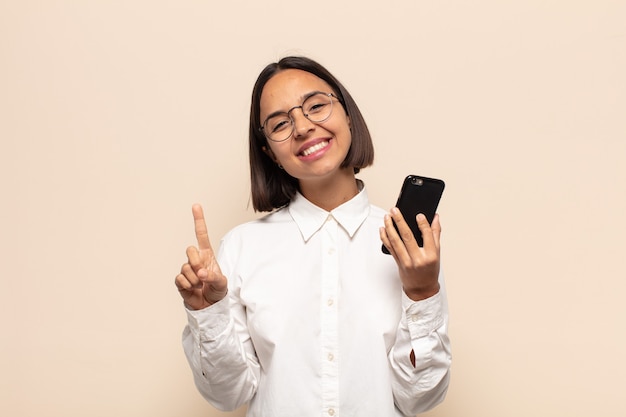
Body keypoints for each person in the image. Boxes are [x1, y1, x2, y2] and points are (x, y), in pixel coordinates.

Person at [175, 56, 451, 417]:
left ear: (347, 114)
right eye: (280, 124)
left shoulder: (407, 244)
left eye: (316, 106)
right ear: (269, 153)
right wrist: (207, 312)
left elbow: (419, 397)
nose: (303, 127)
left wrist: (421, 292)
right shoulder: (242, 249)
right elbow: (230, 396)